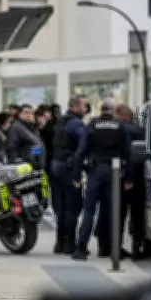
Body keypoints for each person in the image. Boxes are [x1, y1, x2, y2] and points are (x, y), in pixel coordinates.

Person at [72, 99, 133, 261]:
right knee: (114, 212)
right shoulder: (120, 126)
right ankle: (115, 249)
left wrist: (76, 175)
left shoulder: (92, 125)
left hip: (95, 173)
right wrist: (129, 178)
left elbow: (80, 152)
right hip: (114, 173)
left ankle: (81, 249)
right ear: (112, 111)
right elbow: (129, 153)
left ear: (101, 110)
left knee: (89, 211)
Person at [50, 96, 87, 255]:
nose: (85, 109)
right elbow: (85, 143)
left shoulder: (60, 122)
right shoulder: (75, 123)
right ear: (75, 107)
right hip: (68, 167)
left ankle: (59, 243)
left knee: (61, 207)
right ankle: (70, 244)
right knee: (72, 207)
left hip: (56, 166)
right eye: (84, 106)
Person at [116, 103, 147, 260]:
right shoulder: (140, 130)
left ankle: (117, 247)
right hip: (139, 177)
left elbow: (127, 155)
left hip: (122, 177)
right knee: (137, 214)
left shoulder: (120, 130)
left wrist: (128, 177)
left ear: (121, 116)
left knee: (119, 214)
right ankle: (137, 246)